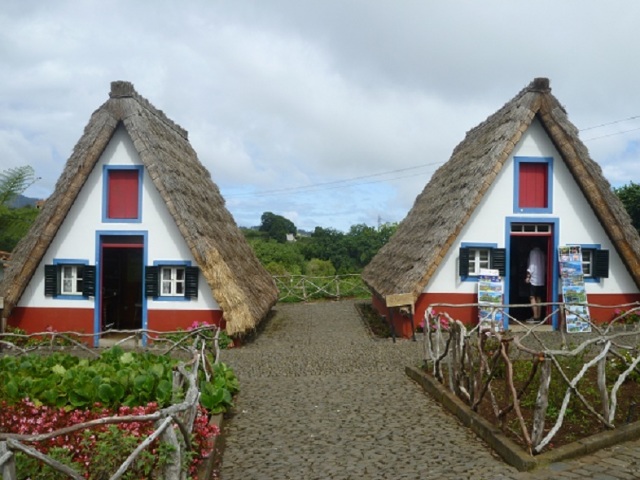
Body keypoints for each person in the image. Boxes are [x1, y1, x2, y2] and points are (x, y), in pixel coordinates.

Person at [525, 246, 545, 323]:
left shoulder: (533, 252)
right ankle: (539, 316)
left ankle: (535, 317)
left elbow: (531, 266)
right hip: (541, 278)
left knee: (532, 297)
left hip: (534, 279)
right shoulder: (542, 253)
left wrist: (528, 276)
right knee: (539, 298)